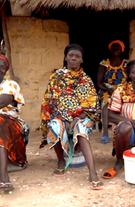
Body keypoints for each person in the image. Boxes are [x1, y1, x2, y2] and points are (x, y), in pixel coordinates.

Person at [40, 44, 103, 190]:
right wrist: (62, 118)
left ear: (82, 60)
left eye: (77, 56)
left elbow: (92, 104)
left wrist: (77, 117)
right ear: (66, 57)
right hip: (60, 116)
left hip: (81, 116)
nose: (74, 58)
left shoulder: (86, 79)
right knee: (54, 127)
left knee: (81, 129)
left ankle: (92, 172)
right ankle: (61, 161)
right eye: (71, 55)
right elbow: (50, 100)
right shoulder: (56, 77)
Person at [0, 55, 29, 193]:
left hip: (10, 123)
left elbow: (3, 101)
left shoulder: (10, 85)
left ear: (5, 70)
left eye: (1, 66)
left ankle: (4, 177)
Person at [97, 40, 128, 144]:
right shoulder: (104, 63)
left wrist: (120, 91)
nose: (116, 49)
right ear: (110, 49)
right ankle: (105, 133)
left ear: (122, 50)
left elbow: (130, 81)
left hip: (122, 91)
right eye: (114, 47)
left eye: (118, 47)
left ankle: (125, 130)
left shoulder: (126, 64)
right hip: (107, 90)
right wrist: (108, 89)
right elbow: (99, 82)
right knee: (106, 103)